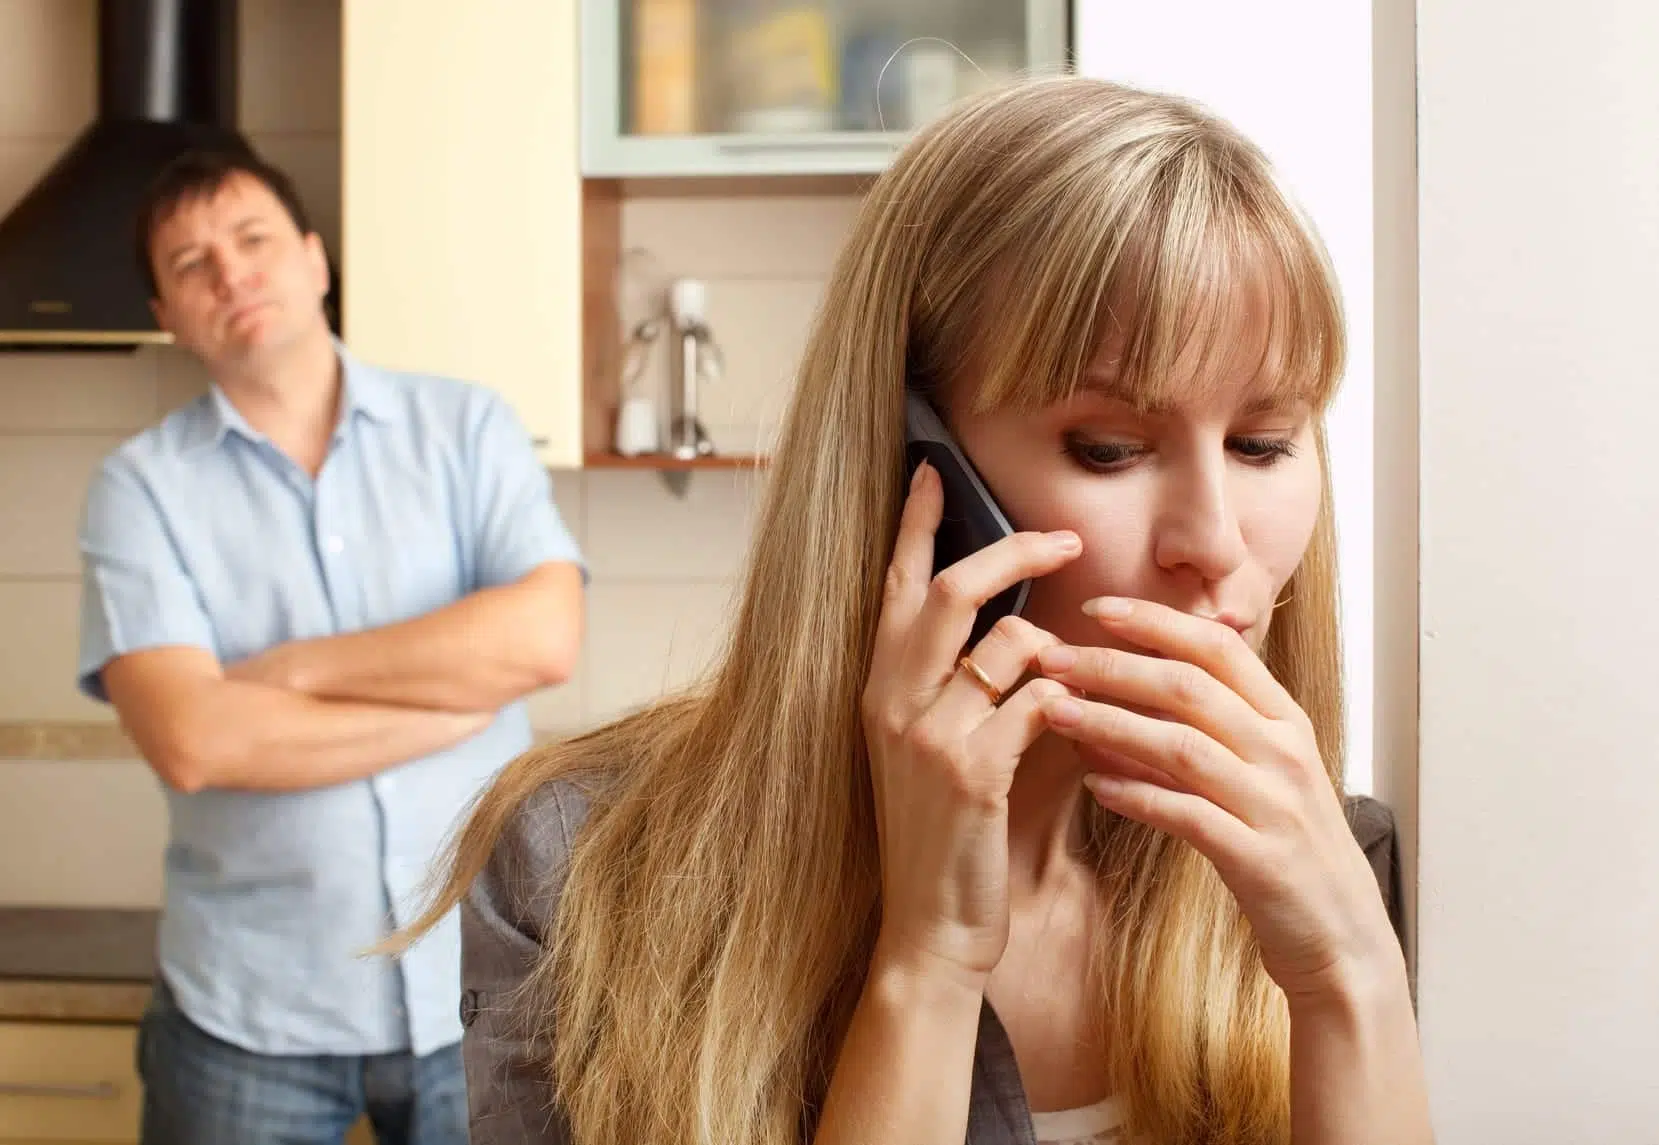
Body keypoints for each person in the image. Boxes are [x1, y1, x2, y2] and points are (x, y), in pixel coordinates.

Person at [401, 76, 1434, 1145]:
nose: (1215, 540)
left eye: (1263, 444)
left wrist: (1348, 974)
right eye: (1111, 448)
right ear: (912, 459)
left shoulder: (1344, 864)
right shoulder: (579, 872)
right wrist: (927, 963)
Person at [75, 148, 587, 1145]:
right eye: (192, 264)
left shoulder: (467, 426)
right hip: (248, 1015)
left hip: (478, 988)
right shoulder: (137, 489)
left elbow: (544, 633)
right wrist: (452, 701)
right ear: (165, 316)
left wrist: (295, 668)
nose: (231, 274)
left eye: (253, 239)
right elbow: (195, 740)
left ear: (314, 260)